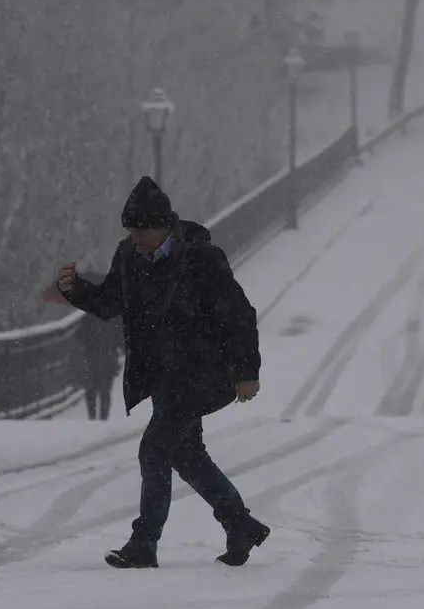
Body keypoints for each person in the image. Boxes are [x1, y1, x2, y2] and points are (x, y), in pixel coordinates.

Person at [56, 176, 268, 569]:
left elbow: (239, 315)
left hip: (202, 374)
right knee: (187, 455)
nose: (134, 239)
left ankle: (144, 544)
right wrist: (75, 290)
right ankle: (239, 524)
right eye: (130, 231)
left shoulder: (202, 258)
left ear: (163, 226)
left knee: (154, 451)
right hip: (162, 375)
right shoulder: (129, 256)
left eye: (141, 231)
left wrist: (246, 371)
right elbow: (110, 302)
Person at [73, 280, 123, 421]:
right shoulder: (114, 316)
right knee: (105, 391)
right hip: (108, 358)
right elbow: (120, 338)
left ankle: (93, 418)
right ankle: (103, 418)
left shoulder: (88, 316)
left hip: (92, 359)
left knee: (91, 389)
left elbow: (80, 336)